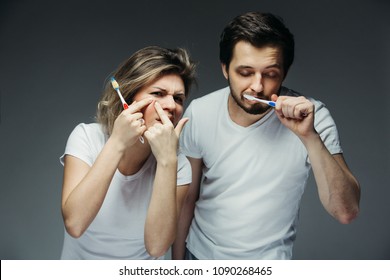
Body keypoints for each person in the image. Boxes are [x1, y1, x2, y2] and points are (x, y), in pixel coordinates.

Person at [173, 12, 360, 260]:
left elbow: (345, 211)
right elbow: (187, 200)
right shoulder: (200, 112)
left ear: (285, 71)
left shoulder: (315, 118)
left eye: (270, 74)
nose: (257, 86)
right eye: (245, 72)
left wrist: (310, 137)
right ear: (225, 69)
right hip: (200, 257)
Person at [59, 46, 196, 259]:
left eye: (178, 98)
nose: (171, 106)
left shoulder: (178, 165)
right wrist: (117, 142)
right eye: (158, 94)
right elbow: (75, 224)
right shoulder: (86, 137)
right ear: (129, 98)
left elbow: (157, 247)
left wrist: (167, 161)